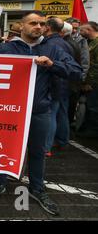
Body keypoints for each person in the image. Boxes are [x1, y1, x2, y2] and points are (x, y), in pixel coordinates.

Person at [0, 10, 82, 216]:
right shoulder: (7, 48)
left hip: (40, 110)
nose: (38, 27)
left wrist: (52, 65)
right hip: (10, 111)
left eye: (41, 24)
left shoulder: (53, 49)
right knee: (5, 148)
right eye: (33, 23)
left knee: (37, 152)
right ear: (22, 26)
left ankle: (37, 189)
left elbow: (76, 71)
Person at [43, 17, 79, 156]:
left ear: (48, 27)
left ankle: (46, 147)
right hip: (64, 84)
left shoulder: (52, 44)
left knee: (50, 115)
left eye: (42, 24)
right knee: (61, 113)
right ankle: (62, 140)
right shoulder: (67, 43)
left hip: (54, 84)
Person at [77, 21, 98, 137]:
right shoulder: (90, 42)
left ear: (89, 30)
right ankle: (86, 126)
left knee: (93, 106)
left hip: (94, 82)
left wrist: (89, 82)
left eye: (82, 30)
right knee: (88, 104)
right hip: (90, 80)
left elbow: (95, 66)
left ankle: (93, 130)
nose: (80, 32)